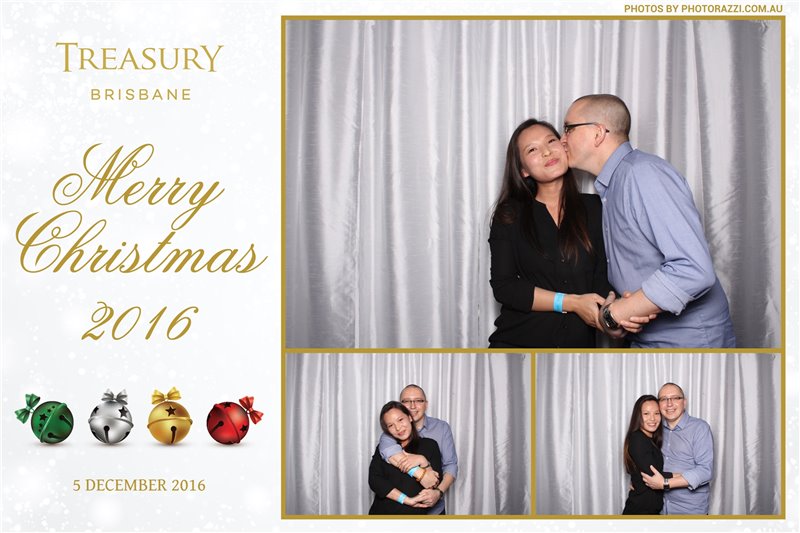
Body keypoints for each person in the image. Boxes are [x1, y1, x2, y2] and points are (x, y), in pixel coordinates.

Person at [562, 94, 736, 348]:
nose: (562, 139)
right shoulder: (613, 186)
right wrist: (617, 317)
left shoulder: (642, 174)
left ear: (598, 133)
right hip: (648, 341)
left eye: (568, 129)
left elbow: (693, 269)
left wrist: (617, 313)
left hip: (689, 343)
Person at [488, 118, 621, 348]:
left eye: (551, 141)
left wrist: (610, 316)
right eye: (532, 150)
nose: (547, 152)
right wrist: (570, 302)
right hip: (517, 347)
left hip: (576, 353)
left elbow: (603, 277)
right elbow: (504, 287)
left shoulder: (596, 208)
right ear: (523, 170)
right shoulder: (509, 215)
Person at [376, 385, 456, 514]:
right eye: (406, 401)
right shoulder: (391, 432)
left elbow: (450, 465)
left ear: (426, 404)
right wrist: (422, 472)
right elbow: (388, 455)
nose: (412, 406)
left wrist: (438, 492)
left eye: (418, 401)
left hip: (433, 510)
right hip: (398, 511)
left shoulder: (441, 428)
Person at [640, 383, 714, 514]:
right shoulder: (655, 428)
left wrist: (665, 483)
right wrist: (638, 482)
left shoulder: (700, 428)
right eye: (664, 399)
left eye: (675, 398)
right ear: (659, 404)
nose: (669, 404)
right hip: (659, 509)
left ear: (684, 402)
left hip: (690, 512)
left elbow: (705, 471)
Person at [368, 401, 442, 514]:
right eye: (391, 425)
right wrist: (407, 500)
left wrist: (423, 461)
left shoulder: (430, 445)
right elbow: (375, 481)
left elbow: (434, 483)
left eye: (400, 420)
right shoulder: (383, 449)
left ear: (409, 417)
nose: (398, 428)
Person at [621, 394, 679, 514]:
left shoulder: (649, 439)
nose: (652, 418)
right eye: (646, 414)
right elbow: (654, 475)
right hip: (639, 512)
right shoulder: (638, 439)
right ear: (638, 416)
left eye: (656, 413)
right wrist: (685, 476)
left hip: (649, 510)